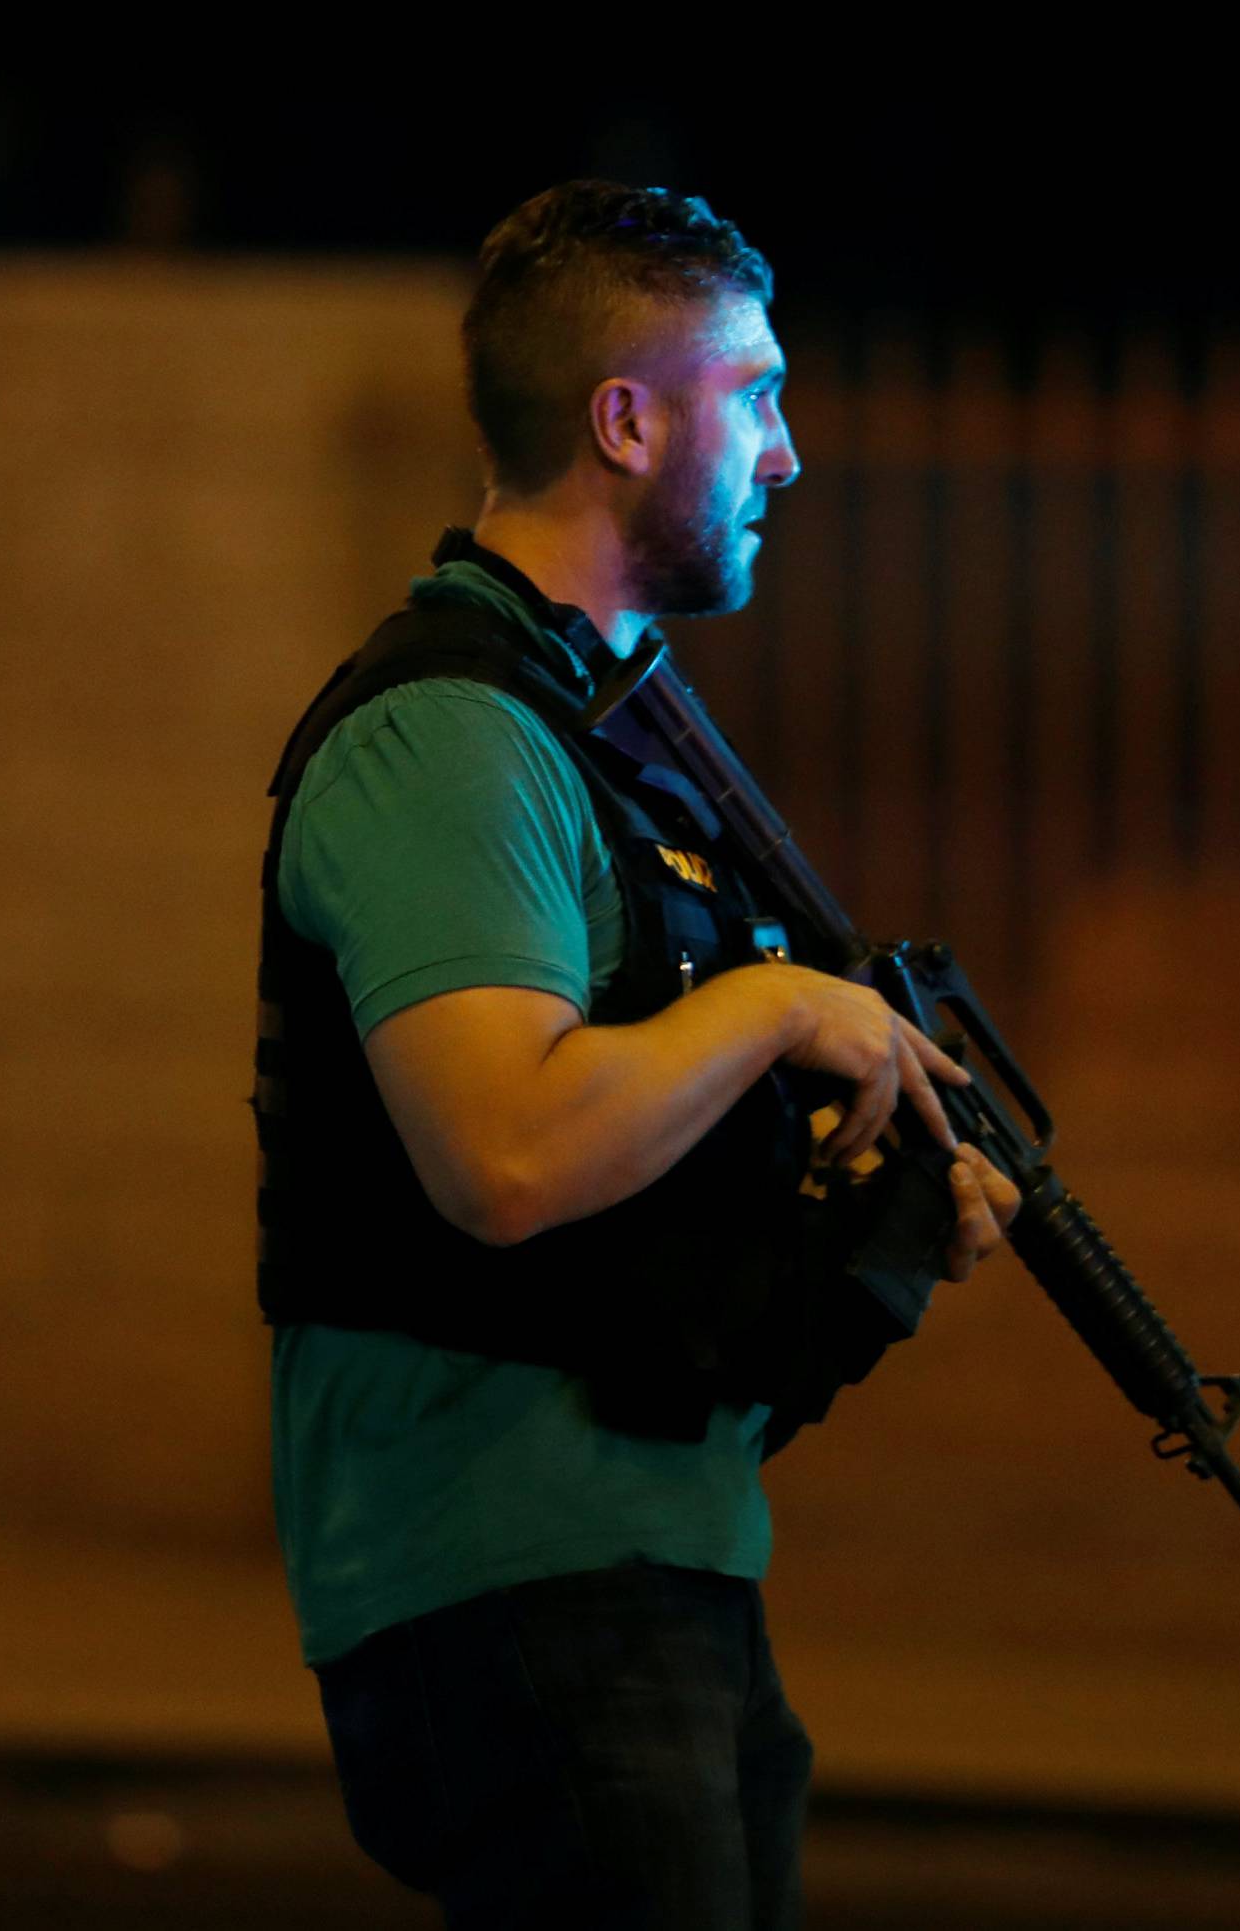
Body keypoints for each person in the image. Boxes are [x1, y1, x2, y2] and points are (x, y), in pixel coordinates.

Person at [251, 179, 1019, 1930]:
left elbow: (642, 1171)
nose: (788, 451)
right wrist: (776, 1007)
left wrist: (849, 1208)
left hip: (651, 1555)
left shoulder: (616, 737)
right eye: (754, 394)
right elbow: (506, 1155)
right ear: (625, 418)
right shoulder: (451, 738)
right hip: (507, 1571)